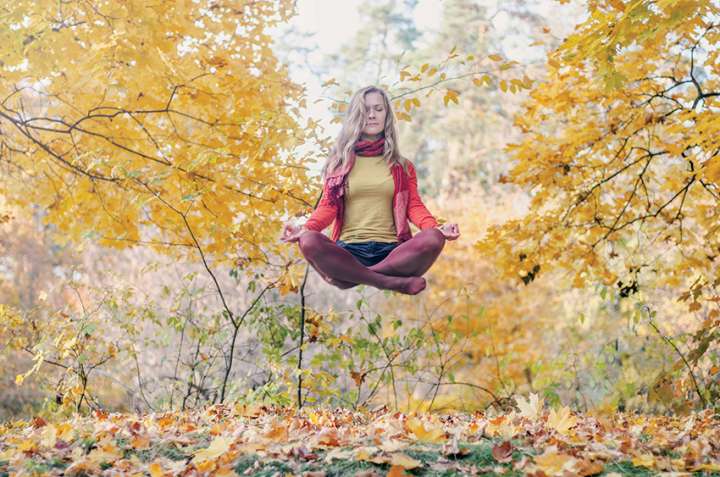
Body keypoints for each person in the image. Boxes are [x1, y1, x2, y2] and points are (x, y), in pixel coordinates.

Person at [280, 85, 460, 295]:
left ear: (387, 115)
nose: (372, 115)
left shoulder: (402, 166)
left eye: (378, 109)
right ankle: (388, 281)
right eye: (365, 110)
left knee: (433, 238)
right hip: (349, 251)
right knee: (309, 239)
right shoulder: (339, 164)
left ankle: (352, 276)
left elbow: (413, 205)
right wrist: (306, 228)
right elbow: (328, 207)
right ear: (356, 115)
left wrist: (435, 227)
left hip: (393, 253)